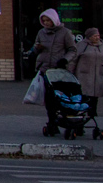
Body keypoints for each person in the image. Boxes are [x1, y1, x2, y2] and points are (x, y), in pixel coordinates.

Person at [26, 8, 78, 136]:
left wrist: (65, 60)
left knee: (60, 96)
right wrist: (36, 49)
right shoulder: (41, 33)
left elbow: (73, 49)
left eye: (48, 20)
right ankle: (52, 121)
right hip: (45, 69)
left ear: (54, 19)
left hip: (59, 69)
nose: (46, 23)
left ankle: (64, 118)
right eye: (44, 21)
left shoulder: (65, 33)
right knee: (49, 97)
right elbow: (36, 47)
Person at [71, 26, 103, 119]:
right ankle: (82, 113)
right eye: (94, 36)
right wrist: (70, 73)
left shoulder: (102, 45)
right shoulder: (82, 45)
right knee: (84, 96)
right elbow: (74, 60)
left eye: (98, 35)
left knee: (95, 96)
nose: (97, 38)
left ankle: (93, 112)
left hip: (98, 75)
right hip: (84, 75)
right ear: (89, 37)